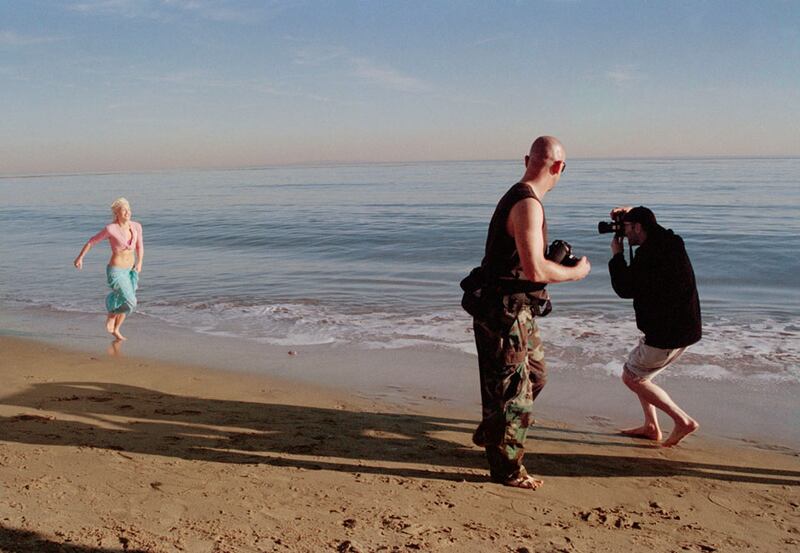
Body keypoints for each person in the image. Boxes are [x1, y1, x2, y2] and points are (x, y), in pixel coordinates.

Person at [469, 136, 591, 490]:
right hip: (503, 311)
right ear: (559, 168)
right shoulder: (527, 205)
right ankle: (507, 469)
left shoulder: (524, 199)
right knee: (513, 393)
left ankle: (494, 429)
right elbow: (535, 269)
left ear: (527, 159)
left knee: (535, 376)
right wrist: (576, 272)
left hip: (516, 308)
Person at [608, 206, 701, 447]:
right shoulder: (671, 242)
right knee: (639, 373)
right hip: (683, 327)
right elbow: (659, 229)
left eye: (627, 228)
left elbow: (625, 289)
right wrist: (632, 212)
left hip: (667, 334)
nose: (625, 234)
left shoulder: (649, 256)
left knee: (632, 378)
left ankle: (683, 421)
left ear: (639, 227)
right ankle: (651, 426)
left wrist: (617, 256)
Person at [74, 198, 144, 341]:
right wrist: (80, 258)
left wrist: (140, 262)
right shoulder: (111, 229)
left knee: (128, 304)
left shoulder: (136, 226)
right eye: (124, 210)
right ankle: (111, 311)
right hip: (116, 271)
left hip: (131, 271)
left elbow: (139, 247)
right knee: (131, 301)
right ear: (116, 213)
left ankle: (116, 329)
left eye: (129, 209)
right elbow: (91, 241)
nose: (128, 212)